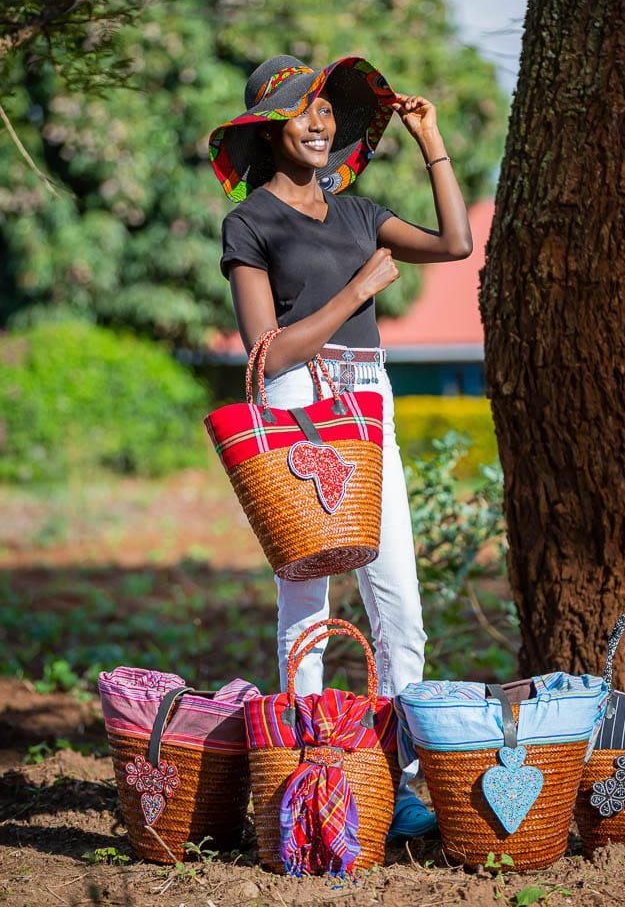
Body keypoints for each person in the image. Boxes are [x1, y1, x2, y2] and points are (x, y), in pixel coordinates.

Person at [209, 54, 472, 839]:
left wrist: (430, 140)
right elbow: (267, 352)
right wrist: (357, 294)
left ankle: (398, 781)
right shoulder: (251, 221)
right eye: (301, 110)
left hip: (368, 402)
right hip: (296, 401)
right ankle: (305, 779)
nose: (319, 122)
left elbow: (456, 243)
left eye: (327, 109)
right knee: (308, 597)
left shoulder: (358, 214)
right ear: (267, 128)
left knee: (400, 605)